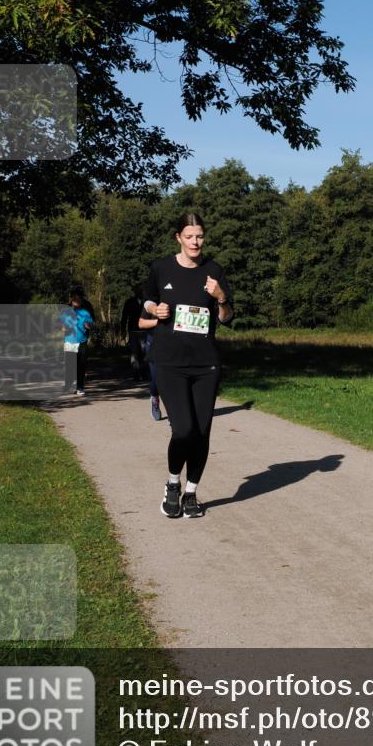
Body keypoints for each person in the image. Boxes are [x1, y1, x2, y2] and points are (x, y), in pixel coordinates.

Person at [142, 213, 234, 519]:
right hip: (169, 361)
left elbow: (227, 317)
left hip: (206, 362)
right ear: (178, 237)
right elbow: (147, 300)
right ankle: (172, 483)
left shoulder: (214, 271)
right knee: (183, 429)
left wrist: (221, 298)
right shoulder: (161, 267)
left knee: (202, 432)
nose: (196, 242)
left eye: (200, 236)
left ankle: (192, 492)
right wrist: (156, 308)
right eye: (190, 236)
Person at [60, 288, 94, 396]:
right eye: (74, 299)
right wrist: (64, 329)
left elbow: (91, 325)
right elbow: (61, 327)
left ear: (81, 301)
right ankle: (68, 386)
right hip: (69, 341)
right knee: (69, 365)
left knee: (81, 365)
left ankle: (80, 387)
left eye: (78, 299)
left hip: (82, 341)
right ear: (71, 300)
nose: (76, 301)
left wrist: (88, 326)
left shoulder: (85, 313)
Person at [138, 307, 162, 421]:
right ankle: (155, 399)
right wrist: (161, 322)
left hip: (175, 343)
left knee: (174, 379)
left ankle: (175, 413)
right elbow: (141, 323)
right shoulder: (152, 300)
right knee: (157, 378)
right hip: (154, 343)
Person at [120, 284, 145, 381]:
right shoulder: (129, 302)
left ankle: (144, 372)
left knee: (144, 352)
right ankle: (136, 373)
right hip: (133, 330)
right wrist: (122, 330)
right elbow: (124, 317)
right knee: (134, 353)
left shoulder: (147, 302)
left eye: (140, 290)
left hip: (145, 331)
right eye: (137, 290)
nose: (139, 292)